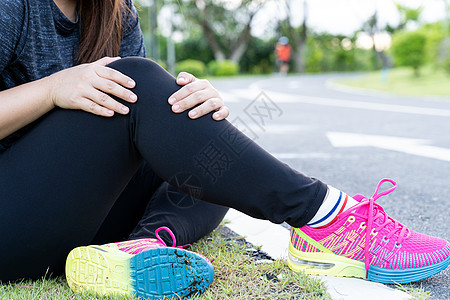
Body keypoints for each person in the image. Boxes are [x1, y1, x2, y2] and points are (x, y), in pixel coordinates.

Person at [0, 0, 448, 299]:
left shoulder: (113, 11)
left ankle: (140, 249)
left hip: (65, 218)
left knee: (203, 156)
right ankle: (324, 216)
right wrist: (52, 89)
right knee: (142, 84)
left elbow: (139, 114)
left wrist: (190, 111)